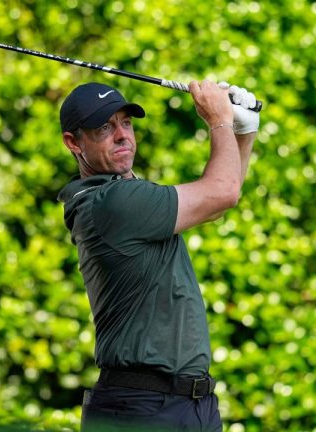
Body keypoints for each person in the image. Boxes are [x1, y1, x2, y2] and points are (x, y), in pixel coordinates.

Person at [57, 80, 259, 431]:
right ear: (74, 143)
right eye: (104, 127)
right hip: (142, 408)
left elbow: (222, 197)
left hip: (187, 406)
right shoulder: (112, 204)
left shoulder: (126, 196)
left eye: (126, 123)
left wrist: (243, 129)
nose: (122, 135)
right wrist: (219, 120)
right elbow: (222, 192)